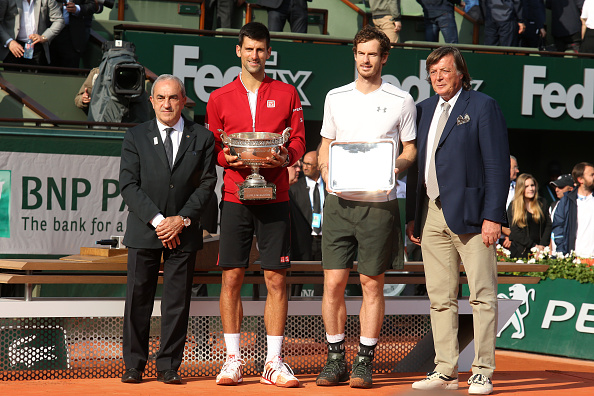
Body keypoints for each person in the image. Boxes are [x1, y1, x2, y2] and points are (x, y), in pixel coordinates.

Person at [316, 25, 417, 389]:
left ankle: (364, 361)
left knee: (371, 284)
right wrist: (325, 169)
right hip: (339, 202)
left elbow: (410, 149)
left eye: (373, 54)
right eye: (360, 53)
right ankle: (334, 359)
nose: (365, 60)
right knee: (334, 283)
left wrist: (396, 166)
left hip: (380, 205)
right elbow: (326, 142)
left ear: (384, 57)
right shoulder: (335, 97)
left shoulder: (401, 100)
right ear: (354, 55)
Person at [205, 22, 306, 387]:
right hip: (235, 196)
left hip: (276, 195)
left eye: (261, 50)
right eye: (249, 49)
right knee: (231, 277)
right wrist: (224, 160)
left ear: (268, 52)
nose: (255, 55)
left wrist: (285, 157)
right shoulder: (218, 98)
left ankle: (274, 362)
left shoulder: (287, 93)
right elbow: (215, 146)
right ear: (239, 51)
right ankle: (232, 360)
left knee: (276, 280)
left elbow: (297, 140)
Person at [407, 46, 509, 395]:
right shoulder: (422, 110)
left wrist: (493, 216)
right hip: (432, 214)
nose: (437, 77)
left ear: (461, 74)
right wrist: (413, 217)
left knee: (482, 296)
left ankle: (482, 371)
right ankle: (445, 369)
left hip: (473, 215)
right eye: (432, 71)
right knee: (440, 297)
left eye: (444, 71)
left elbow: (496, 165)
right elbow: (417, 170)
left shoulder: (482, 106)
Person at [119, 74, 217, 384]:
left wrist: (182, 219)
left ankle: (169, 366)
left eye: (173, 97)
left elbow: (207, 184)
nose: (167, 103)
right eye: (160, 97)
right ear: (151, 101)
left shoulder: (202, 137)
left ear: (184, 100)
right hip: (146, 231)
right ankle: (134, 365)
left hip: (184, 232)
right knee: (138, 299)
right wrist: (161, 221)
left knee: (176, 302)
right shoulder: (134, 137)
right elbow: (128, 185)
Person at [0, 0, 64, 66]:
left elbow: (59, 20)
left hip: (37, 46)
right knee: (12, 75)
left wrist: (44, 37)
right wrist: (9, 41)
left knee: (36, 75)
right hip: (13, 47)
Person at [552, 162, 594, 257]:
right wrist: (563, 252)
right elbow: (558, 227)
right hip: (575, 258)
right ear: (580, 179)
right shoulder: (567, 201)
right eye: (592, 175)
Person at [507, 174, 552, 258]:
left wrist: (542, 246)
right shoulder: (513, 206)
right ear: (520, 188)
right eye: (526, 186)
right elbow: (515, 231)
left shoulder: (542, 203)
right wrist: (533, 246)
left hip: (540, 251)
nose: (531, 189)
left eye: (532, 185)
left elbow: (548, 225)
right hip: (521, 251)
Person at [49, 0, 100, 68]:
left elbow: (92, 5)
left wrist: (77, 9)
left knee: (70, 69)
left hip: (72, 35)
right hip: (49, 32)